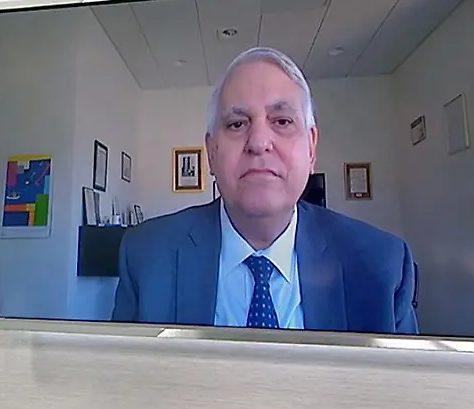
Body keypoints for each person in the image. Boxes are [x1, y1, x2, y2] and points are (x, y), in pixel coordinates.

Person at [111, 46, 419, 334]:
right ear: (211, 153)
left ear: (311, 148)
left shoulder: (382, 265)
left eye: (282, 121)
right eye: (236, 124)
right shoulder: (146, 255)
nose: (258, 142)